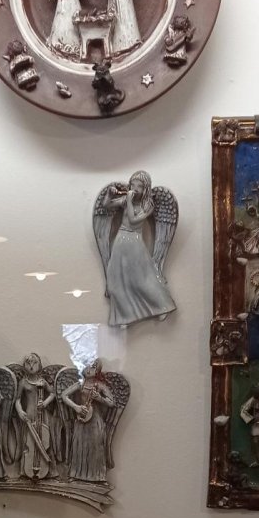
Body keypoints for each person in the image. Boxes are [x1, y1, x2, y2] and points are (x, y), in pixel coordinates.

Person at [97, 174, 176, 327]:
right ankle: (124, 316)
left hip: (134, 241)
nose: (135, 189)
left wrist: (128, 200)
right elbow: (106, 205)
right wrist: (109, 194)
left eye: (139, 186)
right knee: (115, 278)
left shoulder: (148, 205)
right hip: (121, 240)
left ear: (146, 188)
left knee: (141, 280)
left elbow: (133, 220)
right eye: (133, 185)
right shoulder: (127, 200)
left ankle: (162, 306)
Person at [61, 360, 114, 483]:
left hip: (95, 420)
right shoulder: (81, 384)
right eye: (87, 366)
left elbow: (111, 402)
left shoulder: (100, 385)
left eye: (93, 367)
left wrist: (99, 398)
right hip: (82, 419)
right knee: (79, 444)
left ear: (97, 371)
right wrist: (76, 407)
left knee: (95, 446)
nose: (89, 370)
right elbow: (64, 395)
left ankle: (97, 476)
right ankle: (76, 474)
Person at [14, 354, 56, 481]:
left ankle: (49, 471)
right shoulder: (23, 382)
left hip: (42, 414)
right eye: (28, 363)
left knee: (45, 441)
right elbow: (17, 400)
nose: (31, 366)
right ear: (24, 366)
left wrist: (45, 403)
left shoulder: (42, 382)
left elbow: (53, 393)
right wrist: (20, 411)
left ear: (39, 365)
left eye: (34, 363)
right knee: (28, 442)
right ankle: (24, 470)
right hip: (29, 415)